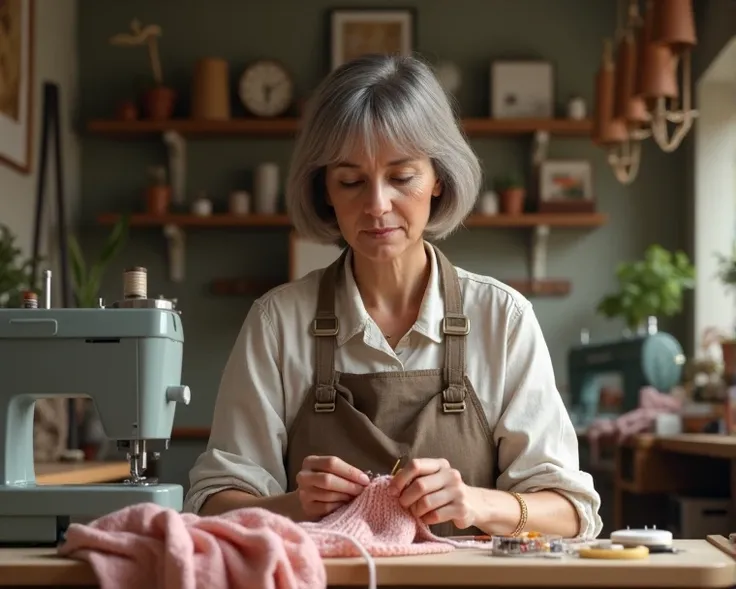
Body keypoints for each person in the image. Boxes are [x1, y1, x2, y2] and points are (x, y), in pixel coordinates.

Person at [184, 53, 602, 539]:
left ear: (438, 179)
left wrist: (474, 502)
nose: (377, 205)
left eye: (402, 178)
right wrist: (294, 506)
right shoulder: (278, 322)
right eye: (351, 181)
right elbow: (211, 505)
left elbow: (573, 514)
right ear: (324, 191)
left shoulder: (501, 318)